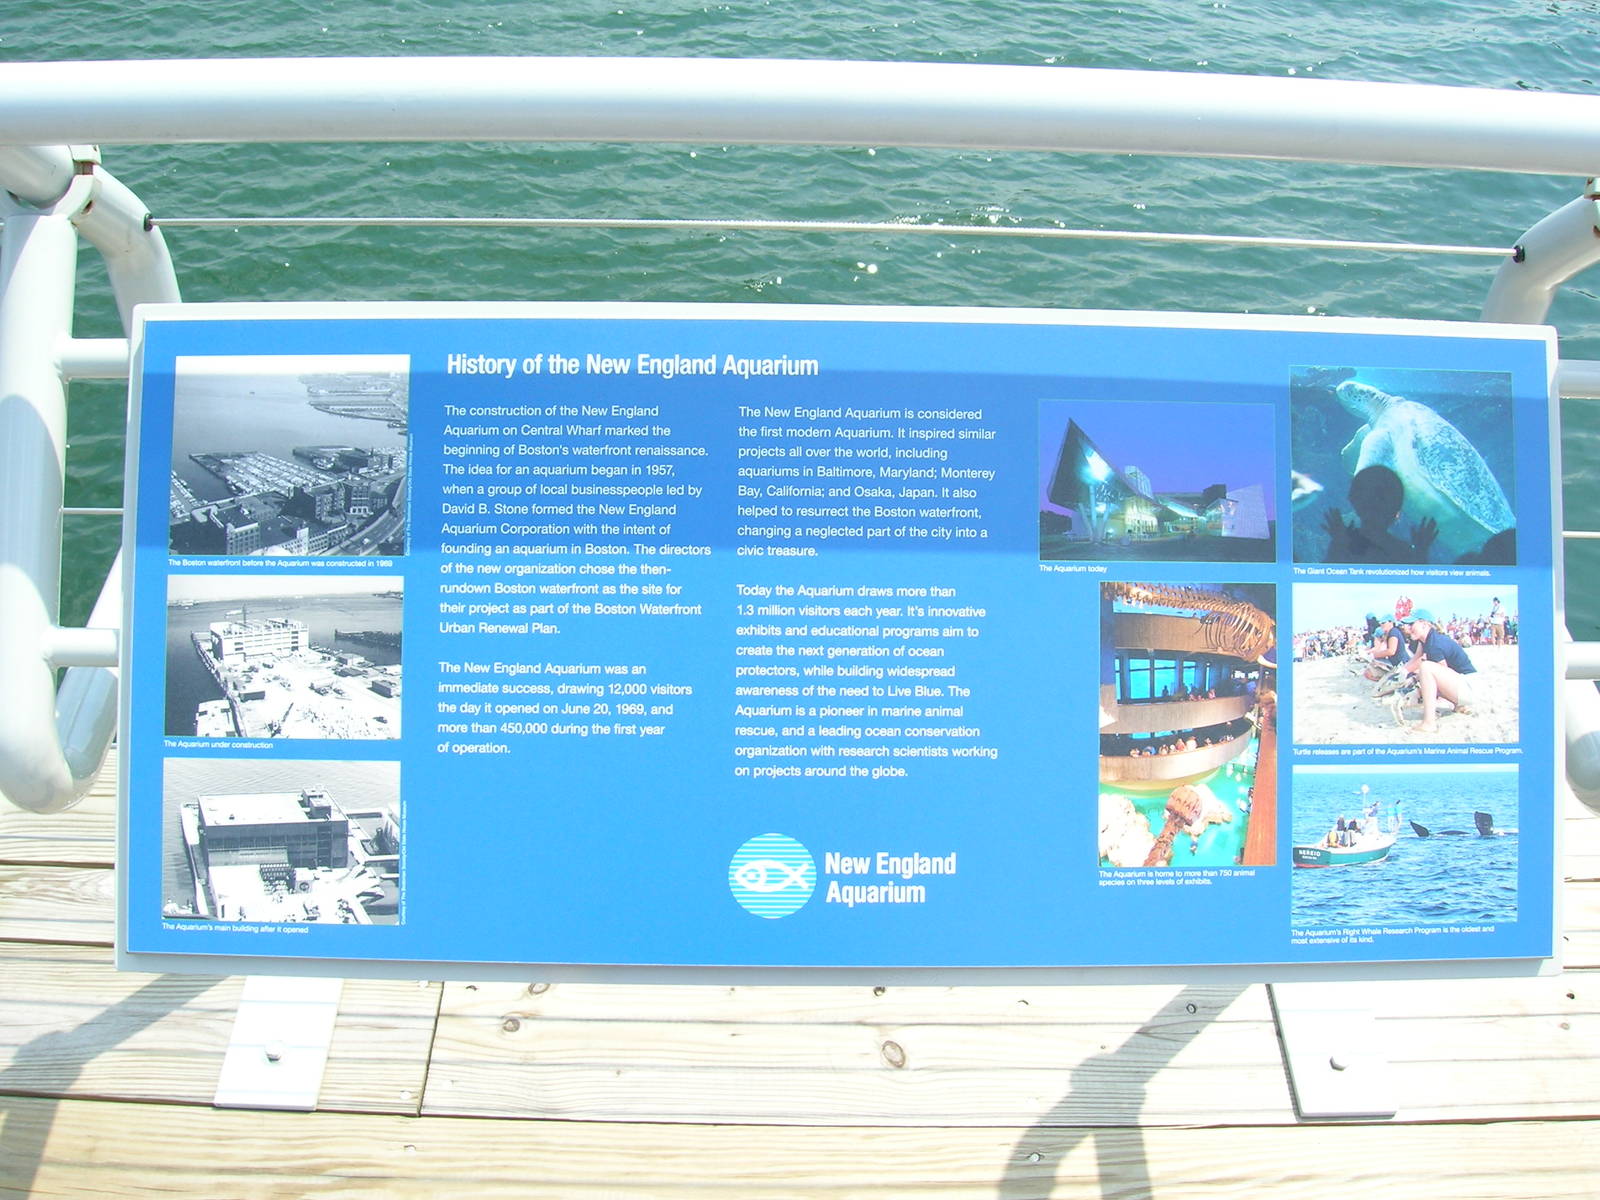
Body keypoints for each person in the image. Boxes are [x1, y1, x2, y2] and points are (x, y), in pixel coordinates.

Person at [1322, 465, 1439, 564]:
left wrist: (1340, 543)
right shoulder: (1403, 551)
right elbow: (1416, 582)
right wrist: (1421, 550)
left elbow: (1326, 579)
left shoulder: (1345, 544)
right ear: (1397, 509)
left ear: (1353, 499)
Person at [1400, 608, 1478, 733]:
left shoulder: (1434, 644)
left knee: (1426, 667)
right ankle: (1457, 706)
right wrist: (1403, 674)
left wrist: (1418, 688)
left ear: (1424, 624)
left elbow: (1439, 672)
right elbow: (1415, 660)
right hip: (1464, 686)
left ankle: (1429, 723)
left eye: (1411, 624)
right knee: (1423, 670)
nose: (1408, 628)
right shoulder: (1427, 640)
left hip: (1469, 689)